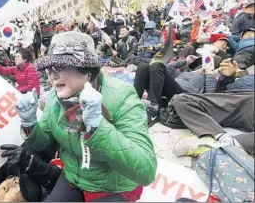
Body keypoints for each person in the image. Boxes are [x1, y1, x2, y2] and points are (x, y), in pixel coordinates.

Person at [16, 31, 157, 202]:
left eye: (60, 66)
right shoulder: (55, 97)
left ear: (88, 71)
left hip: (114, 188)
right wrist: (30, 124)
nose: (52, 76)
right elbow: (43, 142)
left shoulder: (121, 97)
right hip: (73, 178)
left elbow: (146, 171)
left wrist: (99, 129)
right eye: (49, 68)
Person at [134, 56, 206, 125]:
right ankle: (133, 104)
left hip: (181, 94)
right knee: (143, 67)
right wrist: (185, 61)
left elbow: (211, 92)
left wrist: (210, 74)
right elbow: (167, 66)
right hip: (161, 89)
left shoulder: (205, 77)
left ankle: (153, 108)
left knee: (157, 65)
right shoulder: (184, 71)